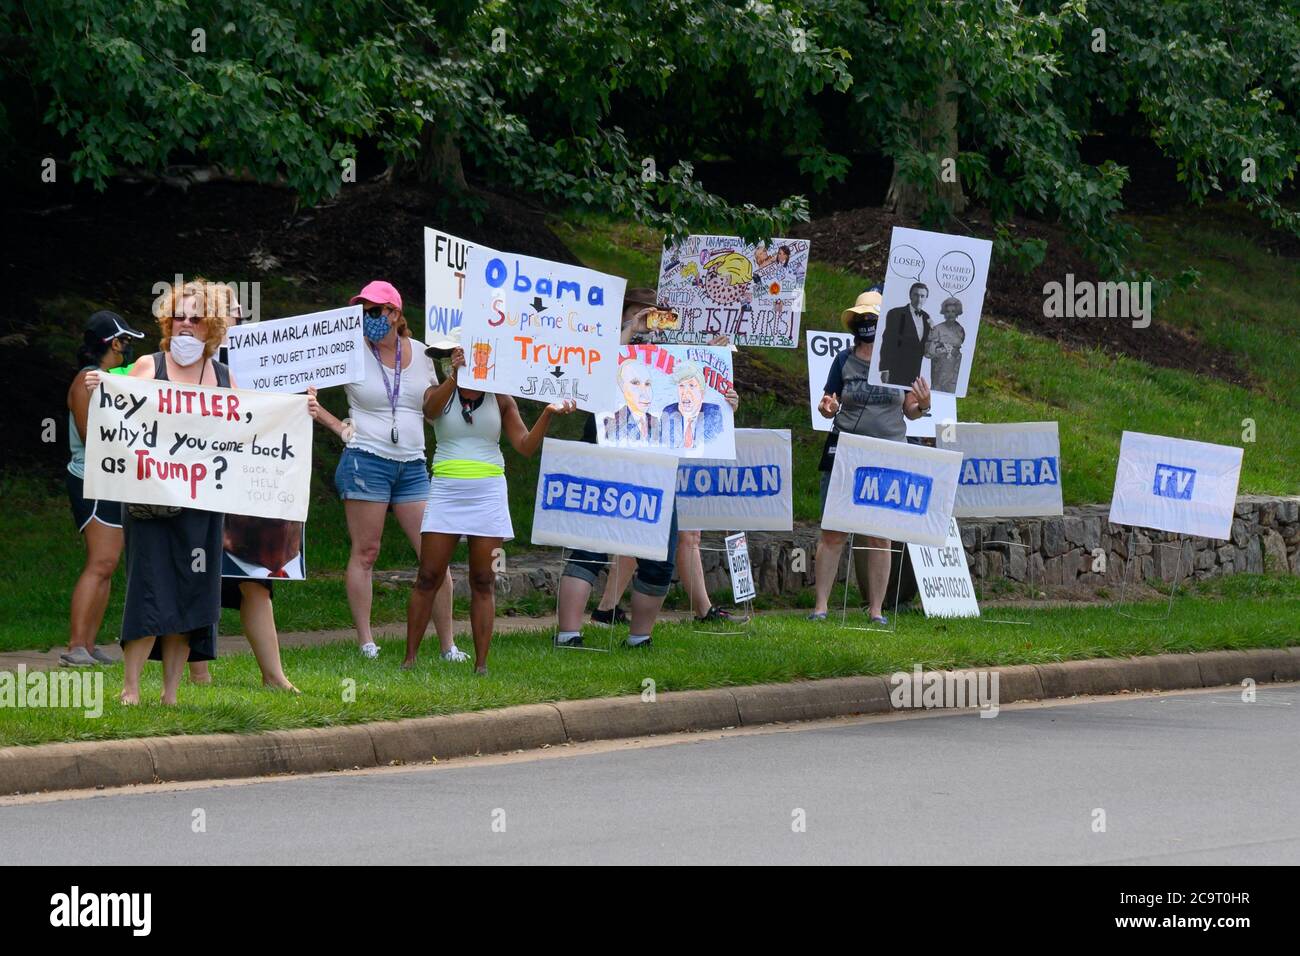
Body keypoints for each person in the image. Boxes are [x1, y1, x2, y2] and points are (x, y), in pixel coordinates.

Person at [555, 289, 739, 649]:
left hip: (655, 470)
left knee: (659, 556)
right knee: (590, 549)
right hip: (607, 463)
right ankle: (568, 634)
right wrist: (629, 328)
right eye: (640, 315)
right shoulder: (606, 347)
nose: (646, 324)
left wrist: (724, 398)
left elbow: (695, 405)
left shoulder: (669, 359)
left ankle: (639, 638)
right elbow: (597, 371)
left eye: (654, 317)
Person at [84, 280, 233, 704]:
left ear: (213, 327)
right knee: (148, 587)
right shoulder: (149, 367)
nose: (185, 325)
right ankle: (130, 688)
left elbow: (247, 432)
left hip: (202, 506)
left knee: (189, 591)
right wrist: (104, 392)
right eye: (178, 317)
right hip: (151, 503)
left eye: (195, 318)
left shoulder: (223, 377)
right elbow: (119, 422)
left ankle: (171, 693)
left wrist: (300, 410)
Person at [406, 332, 576, 674]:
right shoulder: (440, 391)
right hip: (446, 490)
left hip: (488, 494)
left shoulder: (500, 397)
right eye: (449, 357)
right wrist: (455, 376)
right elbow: (430, 410)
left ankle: (481, 665)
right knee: (428, 574)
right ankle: (409, 659)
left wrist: (546, 414)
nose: (455, 360)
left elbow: (525, 446)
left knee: (484, 578)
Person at [306, 280, 460, 661]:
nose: (369, 319)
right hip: (365, 459)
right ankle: (366, 640)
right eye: (365, 312)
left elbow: (431, 407)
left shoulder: (422, 353)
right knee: (367, 550)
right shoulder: (351, 350)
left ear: (395, 313)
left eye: (376, 311)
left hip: (412, 463)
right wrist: (332, 422)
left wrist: (455, 377)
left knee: (434, 554)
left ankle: (448, 644)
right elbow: (308, 384)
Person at [809, 288, 931, 625]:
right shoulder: (842, 361)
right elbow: (828, 401)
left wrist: (923, 403)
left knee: (880, 535)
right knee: (833, 532)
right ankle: (820, 607)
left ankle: (876, 610)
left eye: (872, 319)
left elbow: (911, 410)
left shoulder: (902, 362)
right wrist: (827, 406)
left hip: (886, 453)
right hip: (845, 451)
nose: (867, 324)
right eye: (862, 318)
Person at [213, 289, 297, 692]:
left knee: (256, 581)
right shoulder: (189, 362)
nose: (238, 317)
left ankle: (274, 676)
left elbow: (277, 410)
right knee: (197, 573)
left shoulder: (263, 359)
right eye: (230, 312)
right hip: (197, 478)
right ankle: (196, 671)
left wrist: (302, 405)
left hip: (248, 481)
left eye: (239, 312)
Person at [62, 310, 145, 667]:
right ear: (113, 343)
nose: (127, 348)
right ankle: (76, 645)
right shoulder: (86, 381)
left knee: (108, 564)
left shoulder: (107, 379)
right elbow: (89, 435)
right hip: (90, 481)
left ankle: (90, 644)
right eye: (125, 340)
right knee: (100, 562)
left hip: (112, 480)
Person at [662, 361, 724, 449]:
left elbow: (717, 445)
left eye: (691, 385)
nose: (685, 392)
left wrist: (729, 407)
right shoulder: (668, 412)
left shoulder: (713, 413)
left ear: (702, 393)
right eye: (681, 385)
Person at [879, 282, 931, 385]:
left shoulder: (927, 317)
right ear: (910, 295)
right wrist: (885, 369)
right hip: (897, 368)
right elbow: (888, 341)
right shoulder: (895, 313)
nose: (919, 299)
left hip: (917, 370)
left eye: (922, 296)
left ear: (926, 298)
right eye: (916, 295)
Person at [602, 358, 663, 445]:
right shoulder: (610, 423)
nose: (645, 393)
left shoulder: (658, 423)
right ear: (622, 386)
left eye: (647, 384)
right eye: (635, 383)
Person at [926, 296, 965, 393]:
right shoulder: (937, 329)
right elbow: (928, 351)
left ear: (957, 313)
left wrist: (954, 351)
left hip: (954, 368)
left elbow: (959, 346)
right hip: (939, 368)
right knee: (937, 391)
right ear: (944, 313)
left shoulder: (960, 330)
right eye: (948, 311)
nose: (950, 314)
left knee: (951, 391)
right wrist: (940, 350)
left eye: (953, 311)